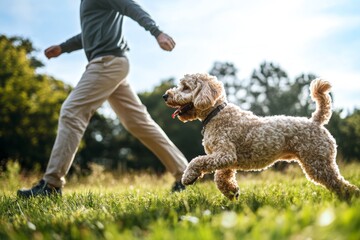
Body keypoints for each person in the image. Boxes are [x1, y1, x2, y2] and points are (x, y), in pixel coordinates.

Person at [17, 0, 188, 198]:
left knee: (72, 111)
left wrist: (157, 32)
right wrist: (63, 48)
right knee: (140, 123)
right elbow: (89, 35)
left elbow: (130, 6)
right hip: (114, 64)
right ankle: (185, 175)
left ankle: (51, 185)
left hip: (107, 63)